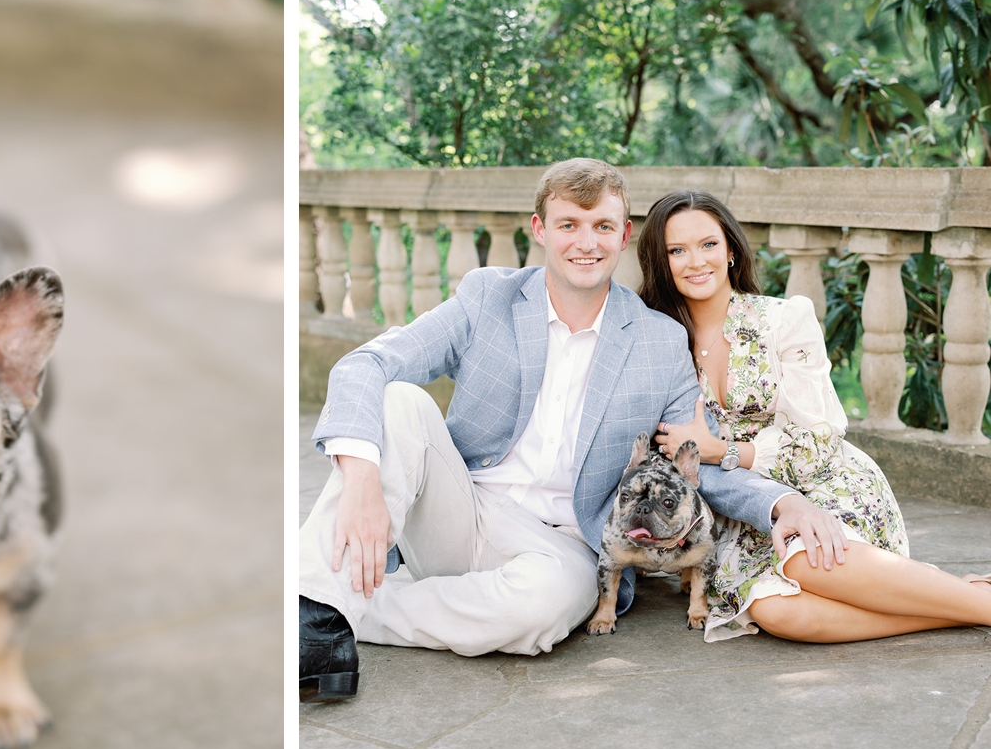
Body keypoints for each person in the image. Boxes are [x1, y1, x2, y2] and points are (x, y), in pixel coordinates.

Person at [298, 158, 843, 700]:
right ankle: (314, 613)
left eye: (603, 226)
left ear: (624, 235)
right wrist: (364, 480)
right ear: (540, 229)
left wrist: (779, 504)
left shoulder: (657, 341)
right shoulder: (489, 297)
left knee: (540, 611)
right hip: (461, 509)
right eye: (569, 225)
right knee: (399, 401)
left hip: (564, 545)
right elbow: (365, 365)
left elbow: (690, 460)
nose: (587, 242)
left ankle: (343, 605)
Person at [641, 189, 991, 642]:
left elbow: (819, 440)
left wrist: (724, 450)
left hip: (824, 482)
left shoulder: (786, 319)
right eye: (677, 250)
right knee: (777, 613)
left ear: (730, 249)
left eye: (708, 244)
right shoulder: (659, 342)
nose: (696, 261)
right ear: (660, 261)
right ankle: (964, 601)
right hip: (740, 515)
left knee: (809, 559)